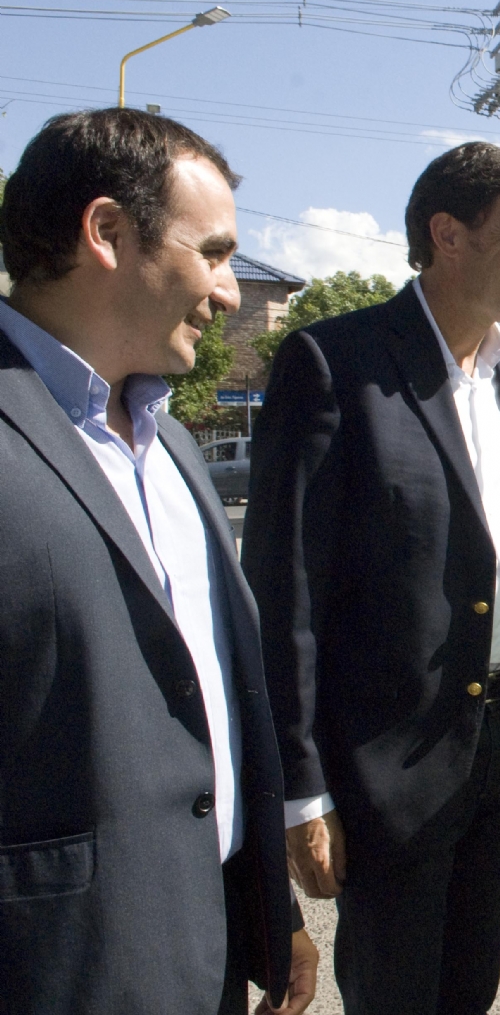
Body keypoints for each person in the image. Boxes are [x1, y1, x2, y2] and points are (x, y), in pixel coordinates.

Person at [242, 142, 500, 1015]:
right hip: (390, 754)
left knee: (471, 981)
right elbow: (285, 588)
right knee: (397, 991)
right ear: (448, 235)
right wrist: (301, 786)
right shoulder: (334, 362)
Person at [0, 108, 315, 1012]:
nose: (228, 292)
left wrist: (270, 911)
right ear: (106, 232)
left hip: (205, 951)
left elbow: (205, 701)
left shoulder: (172, 444)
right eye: (212, 253)